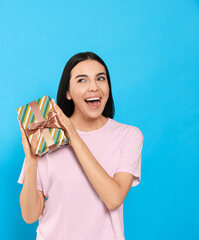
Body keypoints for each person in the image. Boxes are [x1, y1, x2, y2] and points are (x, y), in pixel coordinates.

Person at [17, 51, 144, 240]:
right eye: (82, 80)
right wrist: (31, 163)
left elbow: (113, 199)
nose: (94, 87)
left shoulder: (129, 135)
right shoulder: (48, 135)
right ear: (67, 92)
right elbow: (30, 216)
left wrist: (73, 136)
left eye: (100, 79)